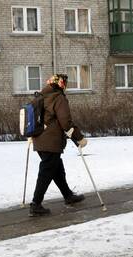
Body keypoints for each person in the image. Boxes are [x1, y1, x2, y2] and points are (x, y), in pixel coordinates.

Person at [29, 74, 88, 217]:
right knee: (46, 172)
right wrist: (79, 138)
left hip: (39, 139)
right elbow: (66, 122)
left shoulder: (40, 96)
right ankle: (36, 204)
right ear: (61, 84)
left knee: (56, 169)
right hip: (50, 141)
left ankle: (68, 195)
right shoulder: (58, 98)